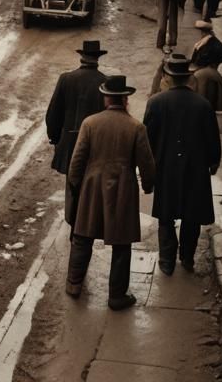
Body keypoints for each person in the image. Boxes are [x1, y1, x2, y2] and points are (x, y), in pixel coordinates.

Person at [66, 75, 155, 310]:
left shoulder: (90, 123)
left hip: (92, 186)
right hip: (123, 188)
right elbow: (146, 163)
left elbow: (77, 161)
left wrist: (76, 186)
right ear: (125, 99)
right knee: (122, 244)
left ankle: (74, 284)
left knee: (82, 237)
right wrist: (148, 185)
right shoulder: (136, 127)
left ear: (106, 98)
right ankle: (116, 296)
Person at [144, 53, 222, 275]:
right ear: (188, 77)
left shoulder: (156, 103)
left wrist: (148, 169)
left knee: (166, 216)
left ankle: (167, 261)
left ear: (167, 76)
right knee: (192, 215)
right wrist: (213, 162)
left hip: (166, 168)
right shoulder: (203, 104)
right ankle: (187, 257)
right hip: (195, 169)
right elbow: (212, 140)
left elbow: (147, 140)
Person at [44, 40, 107, 175]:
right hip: (95, 146)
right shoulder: (105, 82)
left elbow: (53, 113)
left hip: (69, 145)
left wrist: (54, 138)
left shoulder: (66, 78)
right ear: (97, 58)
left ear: (82, 57)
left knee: (71, 187)